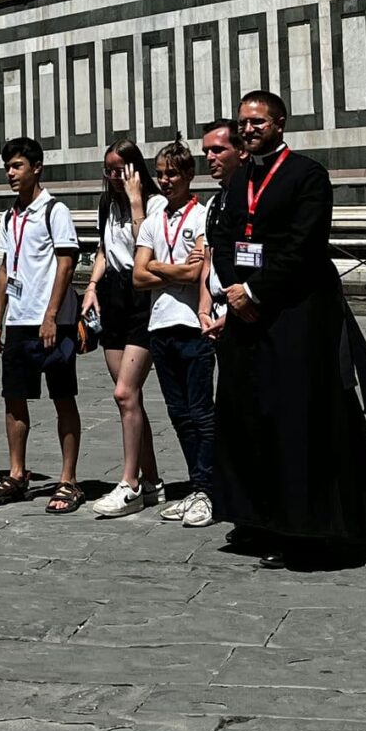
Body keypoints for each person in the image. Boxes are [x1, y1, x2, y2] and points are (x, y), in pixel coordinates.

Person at [206, 90, 366, 566]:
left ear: (280, 124)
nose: (248, 130)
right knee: (244, 413)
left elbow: (305, 245)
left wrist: (254, 294)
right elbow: (224, 237)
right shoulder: (237, 178)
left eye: (258, 122)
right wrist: (233, 289)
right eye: (243, 123)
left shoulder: (306, 175)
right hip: (245, 314)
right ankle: (253, 517)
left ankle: (301, 527)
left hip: (295, 314)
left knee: (294, 417)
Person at [0, 137, 83, 512]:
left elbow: (66, 264)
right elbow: (6, 267)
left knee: (63, 397)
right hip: (19, 321)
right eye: (8, 167)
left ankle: (68, 480)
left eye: (17, 166)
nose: (10, 173)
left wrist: (50, 316)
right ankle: (17, 473)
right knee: (14, 399)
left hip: (52, 323)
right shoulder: (10, 215)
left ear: (36, 168)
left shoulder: (53, 210)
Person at [133, 142, 219, 526]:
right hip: (160, 325)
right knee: (179, 413)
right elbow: (137, 276)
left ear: (188, 175)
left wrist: (158, 266)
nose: (165, 180)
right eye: (161, 173)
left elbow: (197, 273)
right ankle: (198, 487)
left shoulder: (202, 216)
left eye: (172, 173)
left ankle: (209, 489)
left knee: (202, 412)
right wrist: (175, 268)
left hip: (193, 326)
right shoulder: (153, 220)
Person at [79, 143, 161, 519]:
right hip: (112, 294)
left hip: (143, 293)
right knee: (131, 400)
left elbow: (150, 249)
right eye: (108, 170)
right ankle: (153, 482)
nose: (114, 177)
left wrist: (135, 201)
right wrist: (93, 286)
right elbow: (102, 248)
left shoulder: (155, 204)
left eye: (120, 170)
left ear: (135, 169)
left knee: (124, 392)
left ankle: (129, 483)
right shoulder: (105, 204)